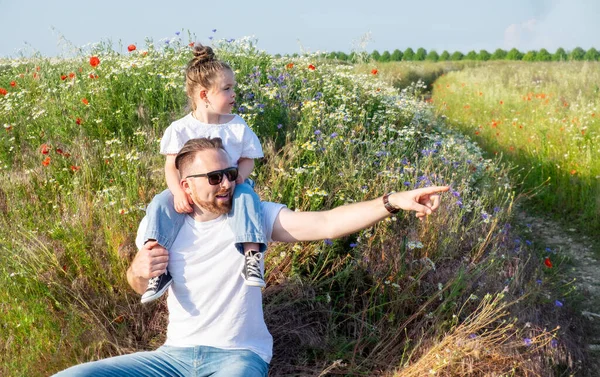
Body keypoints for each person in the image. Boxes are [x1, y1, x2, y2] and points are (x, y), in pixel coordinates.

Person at [53, 137, 449, 377]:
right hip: (172, 359)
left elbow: (327, 223)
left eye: (228, 173)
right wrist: (136, 271)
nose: (227, 182)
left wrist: (392, 201)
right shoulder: (163, 227)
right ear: (185, 187)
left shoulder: (253, 217)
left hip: (237, 358)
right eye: (215, 178)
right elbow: (139, 284)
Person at [141, 43, 267, 304]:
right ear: (203, 95)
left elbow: (248, 159)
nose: (234, 94)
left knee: (247, 196)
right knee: (159, 203)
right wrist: (177, 192)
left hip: (229, 185)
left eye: (233, 87)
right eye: (227, 89)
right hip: (192, 188)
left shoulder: (237, 126)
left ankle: (252, 257)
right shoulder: (180, 129)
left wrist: (239, 177)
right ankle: (159, 270)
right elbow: (170, 166)